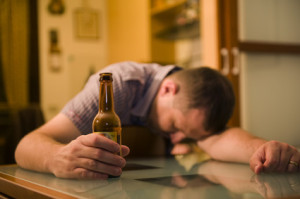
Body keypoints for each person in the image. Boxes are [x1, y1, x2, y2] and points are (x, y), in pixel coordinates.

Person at [15, 61, 300, 179]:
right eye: (175, 128)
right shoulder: (119, 84)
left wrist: (263, 150)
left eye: (187, 136)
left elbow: (218, 140)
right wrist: (56, 158)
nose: (176, 141)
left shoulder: (188, 102)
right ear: (167, 89)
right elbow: (26, 145)